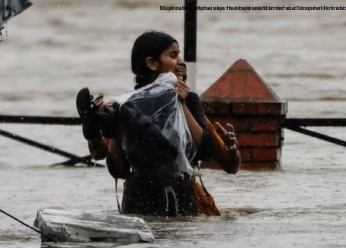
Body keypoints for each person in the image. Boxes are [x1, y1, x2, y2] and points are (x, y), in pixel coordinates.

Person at [77, 31, 240, 217]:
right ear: (151, 63)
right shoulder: (127, 107)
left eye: (179, 54)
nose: (181, 61)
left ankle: (102, 123)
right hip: (150, 200)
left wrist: (182, 104)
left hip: (171, 198)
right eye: (173, 55)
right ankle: (103, 124)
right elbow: (119, 169)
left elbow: (206, 150)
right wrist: (113, 133)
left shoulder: (188, 101)